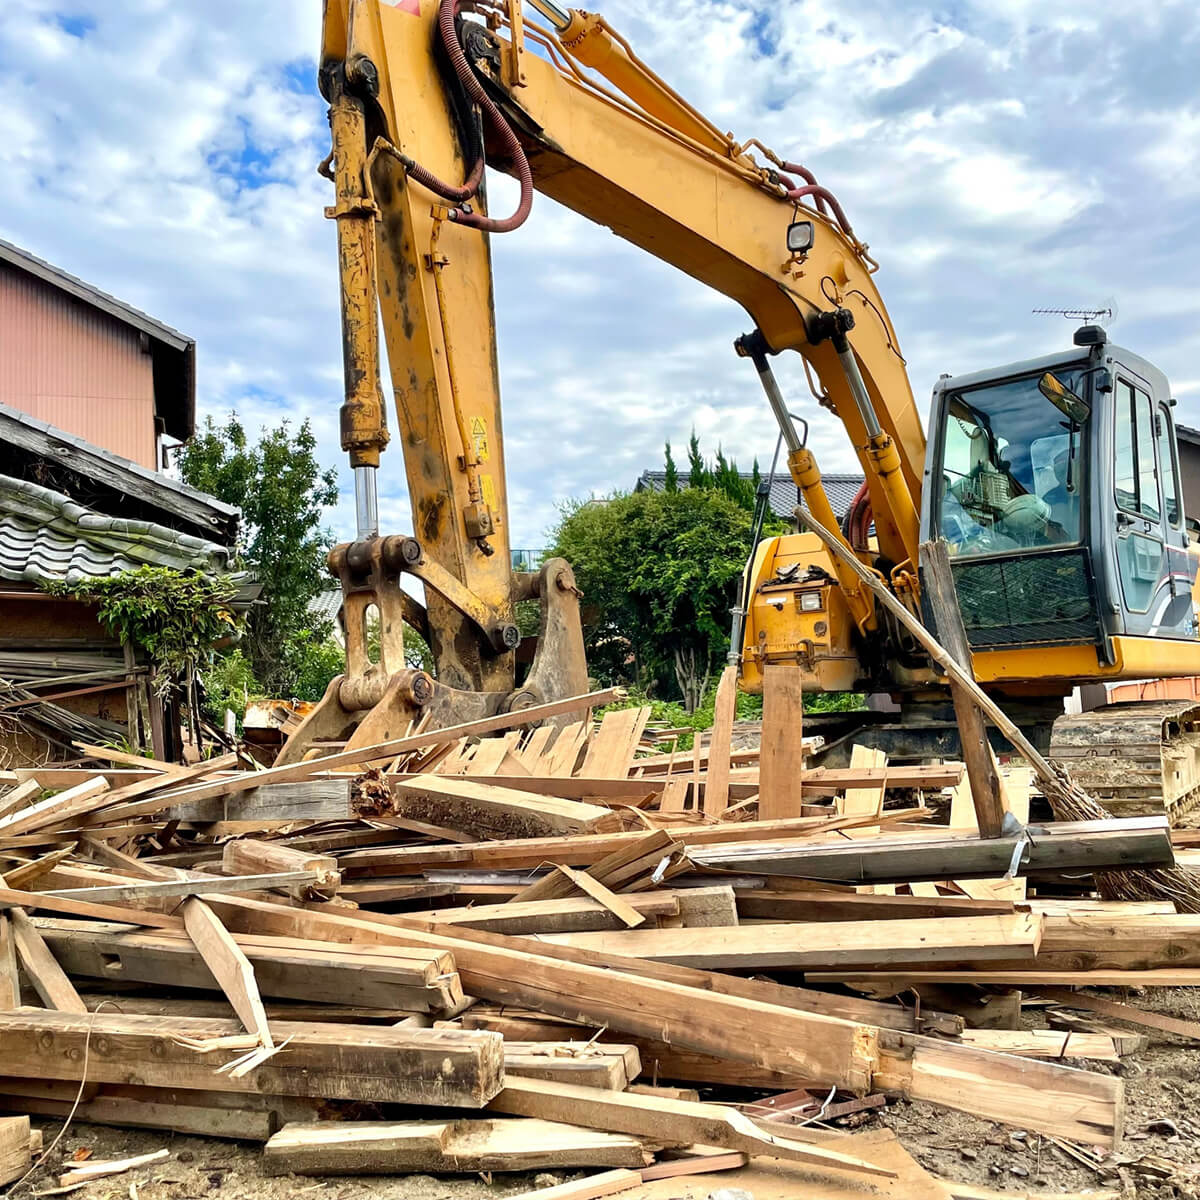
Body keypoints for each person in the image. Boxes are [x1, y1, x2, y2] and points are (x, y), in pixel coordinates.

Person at [1042, 448, 1080, 538]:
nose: (1065, 476)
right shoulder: (1049, 500)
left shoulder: (1106, 496)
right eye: (1060, 471)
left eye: (1067, 470)